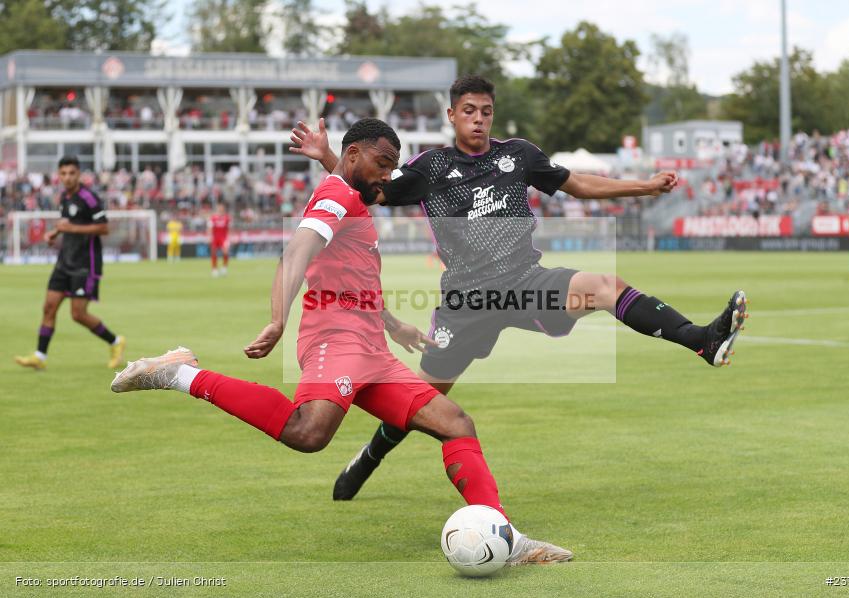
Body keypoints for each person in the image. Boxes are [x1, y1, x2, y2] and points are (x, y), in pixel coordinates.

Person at [110, 119, 570, 565]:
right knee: (309, 432)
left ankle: (507, 537)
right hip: (336, 335)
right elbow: (299, 250)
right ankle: (179, 373)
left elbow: (350, 269)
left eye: (393, 166)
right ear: (355, 154)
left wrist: (392, 324)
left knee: (455, 423)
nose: (389, 175)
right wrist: (277, 320)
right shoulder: (336, 194)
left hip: (370, 344)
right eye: (383, 162)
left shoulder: (348, 193)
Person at [291, 75, 749, 501]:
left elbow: (579, 184)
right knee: (421, 400)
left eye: (486, 111)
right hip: (467, 303)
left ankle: (701, 340)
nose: (478, 118)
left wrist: (644, 187)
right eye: (469, 110)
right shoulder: (430, 167)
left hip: (525, 282)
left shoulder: (519, 155)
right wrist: (330, 157)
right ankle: (369, 458)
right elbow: (368, 190)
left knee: (605, 286)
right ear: (451, 115)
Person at [15, 156, 126, 370]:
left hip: (86, 264)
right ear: (59, 175)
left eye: (71, 173)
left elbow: (104, 228)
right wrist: (55, 233)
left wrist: (70, 229)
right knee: (49, 307)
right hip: (65, 260)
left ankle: (115, 341)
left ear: (78, 174)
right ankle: (40, 356)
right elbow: (68, 223)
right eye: (63, 174)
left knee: (78, 314)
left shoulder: (89, 198)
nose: (67, 177)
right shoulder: (65, 197)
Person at [209, 203, 231, 277]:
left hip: (224, 238)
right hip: (215, 237)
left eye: (222, 208)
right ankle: (214, 269)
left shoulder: (227, 218)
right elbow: (210, 228)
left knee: (225, 252)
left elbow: (229, 229)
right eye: (219, 208)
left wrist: (231, 237)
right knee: (214, 253)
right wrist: (209, 236)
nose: (221, 210)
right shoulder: (213, 218)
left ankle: (224, 268)